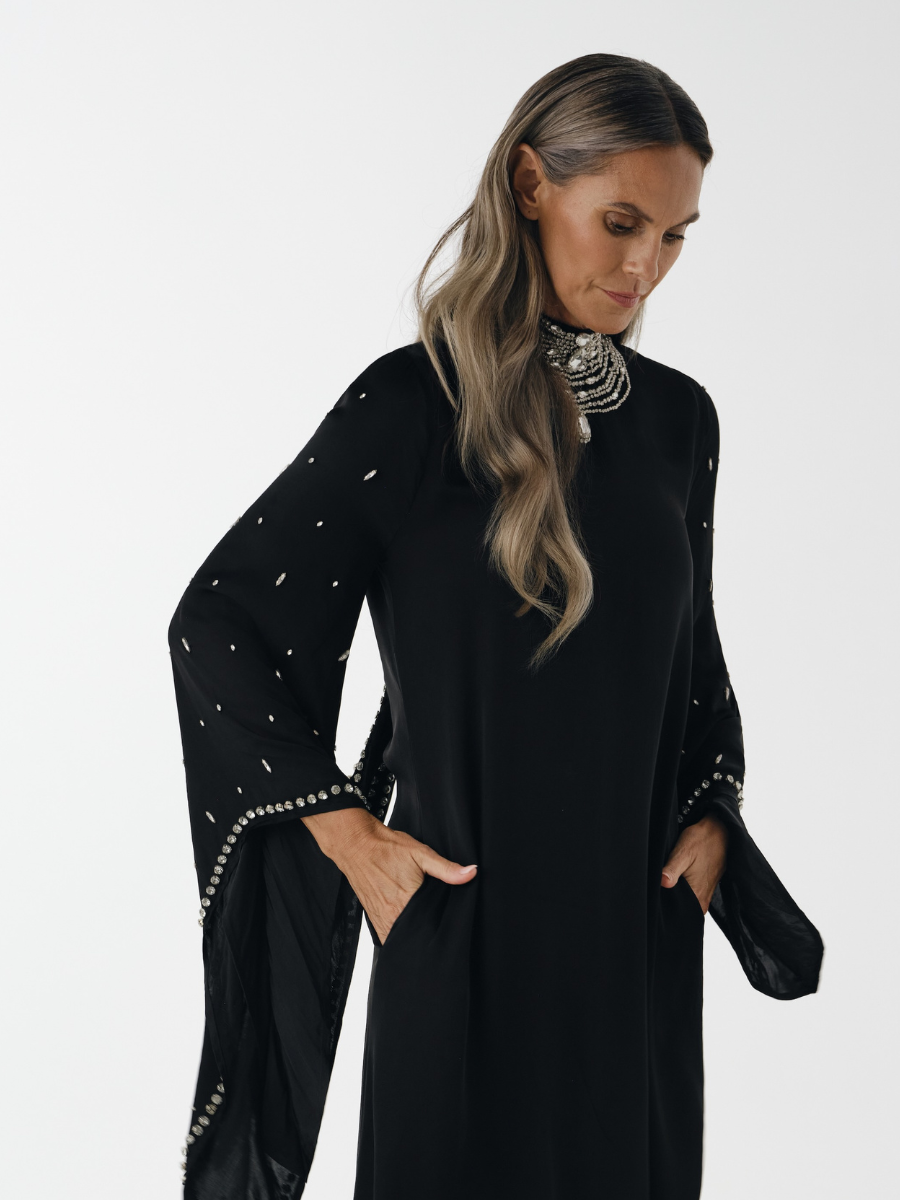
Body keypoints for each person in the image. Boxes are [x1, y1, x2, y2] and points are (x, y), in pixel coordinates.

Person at [168, 52, 823, 1200]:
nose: (645, 267)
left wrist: (713, 809)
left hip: (632, 945)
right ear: (530, 184)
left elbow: (692, 665)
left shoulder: (679, 424)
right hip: (462, 929)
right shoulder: (412, 406)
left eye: (675, 236)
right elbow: (220, 624)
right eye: (621, 222)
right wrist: (346, 833)